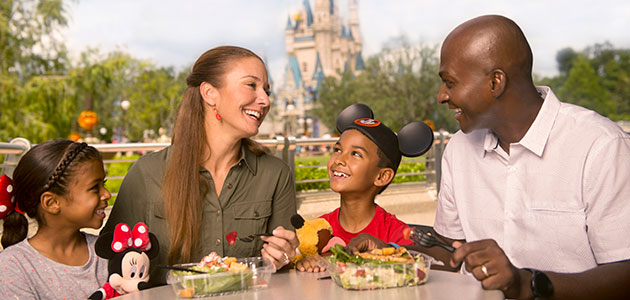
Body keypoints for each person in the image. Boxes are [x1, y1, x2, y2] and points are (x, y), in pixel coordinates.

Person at [349, 14, 630, 299]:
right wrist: (392, 251)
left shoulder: (600, 146)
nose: (441, 96)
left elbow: (625, 273)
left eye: (450, 82)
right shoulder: (459, 149)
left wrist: (527, 285)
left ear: (496, 82)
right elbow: (452, 248)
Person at [103, 46, 298, 285]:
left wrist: (284, 257)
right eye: (251, 85)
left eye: (266, 90)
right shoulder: (146, 174)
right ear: (209, 93)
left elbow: (283, 268)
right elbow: (111, 261)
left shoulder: (275, 175)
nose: (265, 100)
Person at [296, 104, 433, 272]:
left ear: (382, 176)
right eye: (338, 149)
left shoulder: (399, 234)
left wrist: (385, 250)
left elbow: (417, 270)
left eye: (356, 154)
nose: (339, 160)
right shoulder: (319, 229)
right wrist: (303, 264)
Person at [0, 140, 110, 298]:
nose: (106, 194)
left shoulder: (106, 252)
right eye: (94, 188)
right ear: (52, 203)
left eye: (103, 184)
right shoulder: (12, 267)